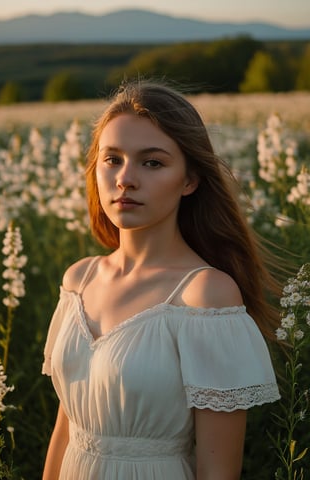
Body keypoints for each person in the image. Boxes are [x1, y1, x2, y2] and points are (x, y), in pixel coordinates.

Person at [42, 80, 281, 480]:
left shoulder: (206, 297)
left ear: (190, 180)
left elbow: (218, 472)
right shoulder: (79, 280)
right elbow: (66, 428)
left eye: (152, 162)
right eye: (112, 159)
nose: (125, 179)